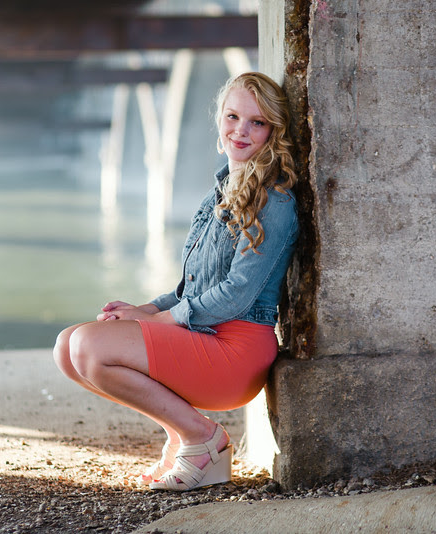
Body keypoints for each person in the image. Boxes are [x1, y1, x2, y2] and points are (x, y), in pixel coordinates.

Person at [53, 72, 299, 491]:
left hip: (236, 348)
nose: (240, 131)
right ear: (219, 119)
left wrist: (159, 321)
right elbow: (191, 288)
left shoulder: (274, 201)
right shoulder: (218, 193)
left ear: (273, 131)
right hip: (201, 334)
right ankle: (181, 434)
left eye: (256, 123)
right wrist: (145, 310)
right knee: (67, 347)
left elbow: (238, 294)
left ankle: (203, 440)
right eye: (233, 116)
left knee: (89, 346)